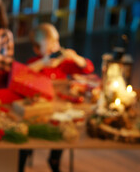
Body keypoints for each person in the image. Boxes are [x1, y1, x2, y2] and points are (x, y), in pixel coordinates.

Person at [19, 22, 94, 172]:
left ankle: (54, 159)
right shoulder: (35, 63)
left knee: (63, 130)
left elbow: (88, 68)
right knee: (29, 131)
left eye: (57, 42)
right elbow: (22, 74)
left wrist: (76, 58)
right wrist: (42, 63)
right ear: (37, 49)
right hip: (39, 109)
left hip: (59, 107)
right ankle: (23, 158)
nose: (55, 47)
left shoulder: (63, 64)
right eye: (49, 45)